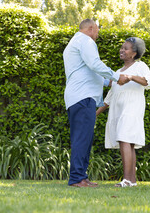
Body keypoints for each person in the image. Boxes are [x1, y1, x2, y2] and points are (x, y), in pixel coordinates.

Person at [63, 19, 129, 187]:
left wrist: (110, 82)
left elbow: (88, 71)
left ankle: (81, 177)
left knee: (84, 138)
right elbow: (94, 64)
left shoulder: (75, 43)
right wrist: (116, 76)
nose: (98, 35)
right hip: (82, 97)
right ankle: (77, 178)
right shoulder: (85, 41)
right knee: (81, 138)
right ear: (91, 28)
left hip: (79, 97)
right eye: (97, 31)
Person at [96, 37, 150, 187]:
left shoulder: (140, 66)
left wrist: (130, 77)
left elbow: (149, 81)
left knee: (124, 139)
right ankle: (132, 181)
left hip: (132, 109)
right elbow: (109, 98)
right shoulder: (117, 72)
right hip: (118, 111)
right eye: (122, 47)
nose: (122, 50)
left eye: (126, 48)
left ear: (134, 53)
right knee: (128, 143)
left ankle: (127, 180)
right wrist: (94, 114)